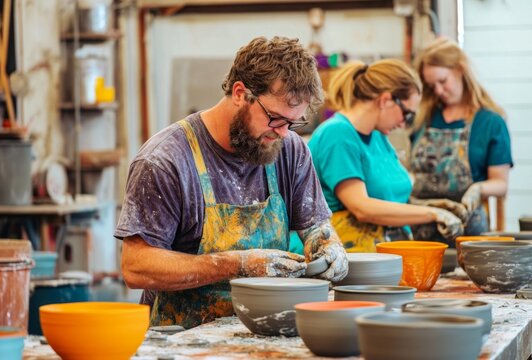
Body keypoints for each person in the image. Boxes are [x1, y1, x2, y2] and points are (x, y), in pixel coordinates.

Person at [114, 36, 348, 329]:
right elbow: (136, 267)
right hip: (184, 338)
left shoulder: (289, 151)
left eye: (294, 122)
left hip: (264, 331)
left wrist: (328, 246)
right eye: (276, 119)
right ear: (240, 93)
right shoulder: (166, 160)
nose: (284, 133)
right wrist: (237, 265)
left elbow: (316, 228)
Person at [308, 59, 465, 253]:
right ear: (385, 100)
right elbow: (362, 208)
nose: (403, 124)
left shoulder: (377, 136)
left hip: (384, 254)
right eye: (407, 114)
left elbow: (389, 199)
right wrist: (433, 213)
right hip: (346, 258)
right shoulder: (337, 135)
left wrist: (434, 206)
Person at [410, 38, 513, 245]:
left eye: (442, 81)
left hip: (466, 231)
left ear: (460, 70)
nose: (438, 91)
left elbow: (500, 184)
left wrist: (478, 189)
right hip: (419, 227)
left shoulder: (490, 122)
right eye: (432, 85)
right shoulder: (424, 117)